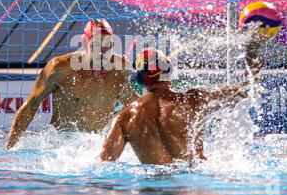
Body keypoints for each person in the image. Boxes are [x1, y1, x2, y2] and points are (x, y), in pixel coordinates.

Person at [99, 33, 269, 164]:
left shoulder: (125, 118)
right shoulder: (194, 100)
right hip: (194, 185)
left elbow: (103, 165)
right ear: (168, 72)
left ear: (139, 79)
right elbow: (247, 88)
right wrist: (252, 49)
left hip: (152, 191)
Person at [6, 19, 139, 149]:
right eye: (96, 45)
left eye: (108, 45)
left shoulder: (121, 68)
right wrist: (10, 147)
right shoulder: (60, 68)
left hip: (98, 144)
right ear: (85, 43)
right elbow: (31, 105)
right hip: (61, 147)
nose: (103, 52)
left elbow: (133, 104)